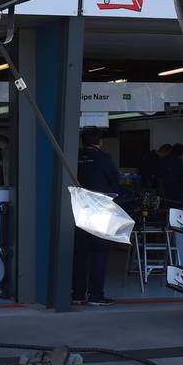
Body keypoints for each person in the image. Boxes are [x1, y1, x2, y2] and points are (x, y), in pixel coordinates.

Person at [72, 129, 119, 307]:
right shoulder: (104, 158)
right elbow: (115, 181)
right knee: (100, 252)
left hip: (78, 209)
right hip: (99, 210)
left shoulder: (74, 157)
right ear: (100, 142)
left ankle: (77, 294)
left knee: (79, 253)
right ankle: (95, 295)